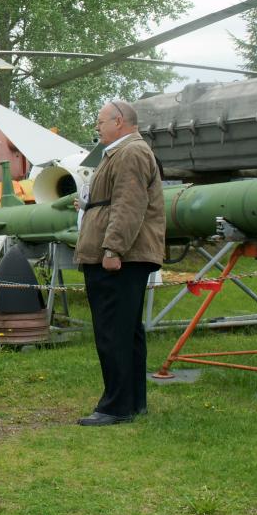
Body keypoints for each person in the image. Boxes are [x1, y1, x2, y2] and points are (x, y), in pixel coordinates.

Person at [73, 100, 165, 426]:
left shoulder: (130, 153)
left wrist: (112, 249)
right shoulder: (122, 153)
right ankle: (132, 401)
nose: (97, 127)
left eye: (100, 121)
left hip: (120, 257)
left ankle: (115, 407)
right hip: (122, 254)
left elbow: (129, 205)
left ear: (120, 120)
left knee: (113, 331)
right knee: (126, 331)